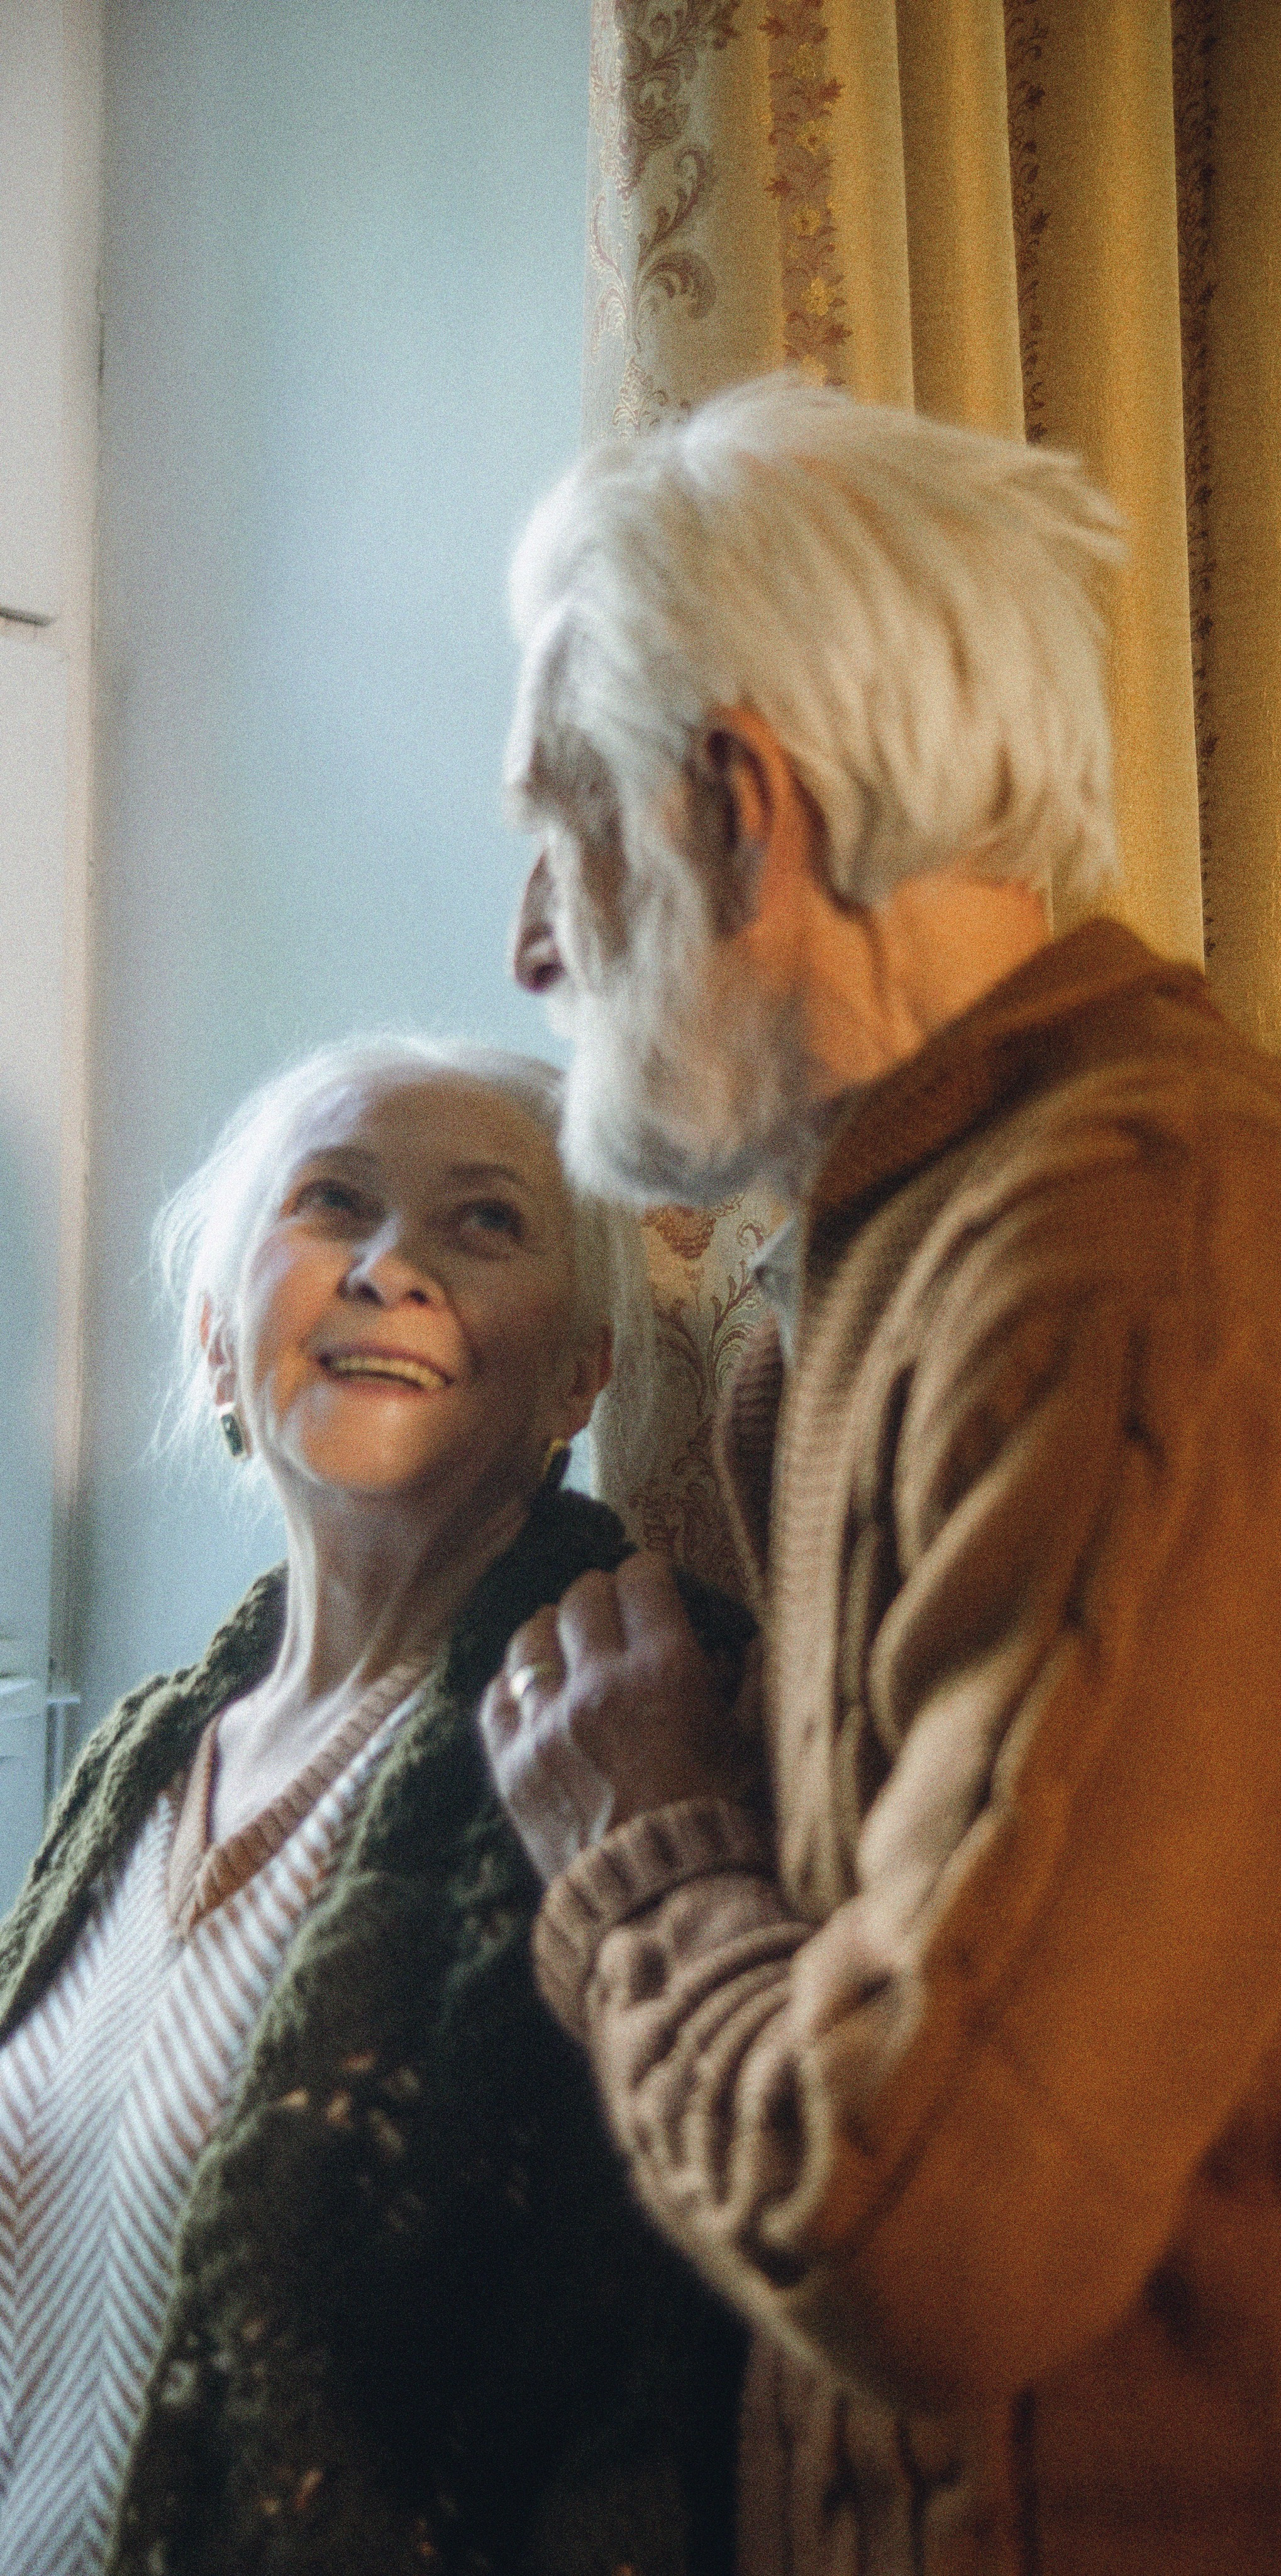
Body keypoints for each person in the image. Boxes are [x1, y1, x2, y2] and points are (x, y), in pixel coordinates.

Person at [481, 375, 1281, 2576]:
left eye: (561, 829)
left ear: (737, 808)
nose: (529, 947)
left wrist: (632, 1852)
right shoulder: (866, 1271)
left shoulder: (1139, 1252)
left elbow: (929, 2239)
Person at [0, 1034, 746, 2576]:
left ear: (579, 1374)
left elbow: (665, 2371)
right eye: (334, 1202)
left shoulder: (638, 1710)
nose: (392, 1265)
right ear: (218, 1343)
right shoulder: (140, 1759)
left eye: (485, 1222)